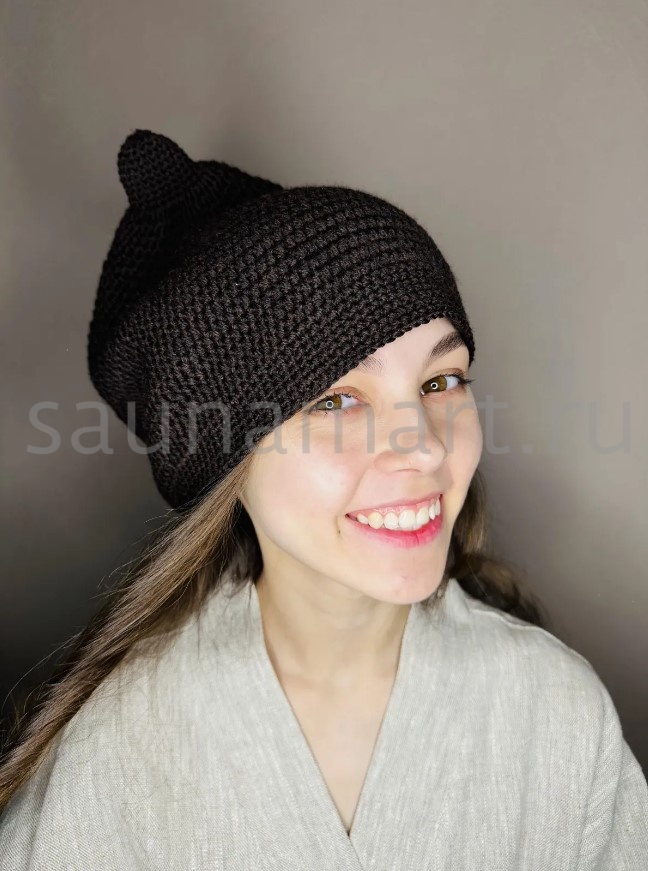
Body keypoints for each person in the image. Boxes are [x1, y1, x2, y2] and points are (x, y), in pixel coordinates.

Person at [0, 129, 646, 869]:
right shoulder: (116, 754)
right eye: (336, 400)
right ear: (223, 464)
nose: (425, 447)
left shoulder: (556, 713)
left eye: (440, 382)